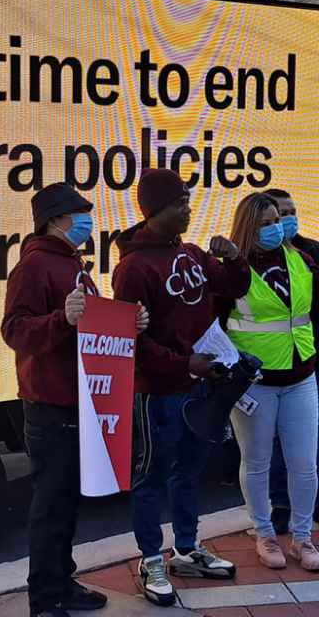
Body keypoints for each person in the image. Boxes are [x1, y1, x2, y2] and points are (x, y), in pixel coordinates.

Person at [1, 182, 149, 617]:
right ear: (58, 219)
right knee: (50, 507)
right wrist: (60, 319)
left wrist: (129, 322)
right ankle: (45, 600)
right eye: (81, 213)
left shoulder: (72, 263)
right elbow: (15, 331)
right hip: (50, 403)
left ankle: (62, 583)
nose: (88, 220)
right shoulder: (34, 268)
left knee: (66, 503)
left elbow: (92, 323)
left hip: (80, 399)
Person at [112, 168, 250, 607]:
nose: (188, 210)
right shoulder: (133, 269)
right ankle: (151, 558)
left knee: (189, 470)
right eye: (180, 204)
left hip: (200, 385)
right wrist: (182, 363)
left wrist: (234, 258)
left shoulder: (188, 253)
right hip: (160, 392)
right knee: (150, 477)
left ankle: (186, 549)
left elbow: (234, 285)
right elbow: (130, 341)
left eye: (188, 201)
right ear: (155, 211)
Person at [220, 192, 319, 571]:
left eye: (278, 219)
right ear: (249, 226)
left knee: (304, 463)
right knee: (257, 461)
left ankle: (302, 536)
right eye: (266, 222)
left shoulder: (302, 259)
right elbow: (215, 324)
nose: (276, 227)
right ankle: (264, 533)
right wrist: (231, 372)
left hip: (301, 375)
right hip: (256, 382)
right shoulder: (233, 269)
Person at [262, 188, 319, 536]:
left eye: (292, 212)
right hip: (273, 366)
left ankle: (309, 507)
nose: (288, 220)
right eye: (281, 214)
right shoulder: (255, 259)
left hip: (309, 356)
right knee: (274, 445)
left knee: (308, 441)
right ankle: (280, 506)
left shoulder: (310, 252)